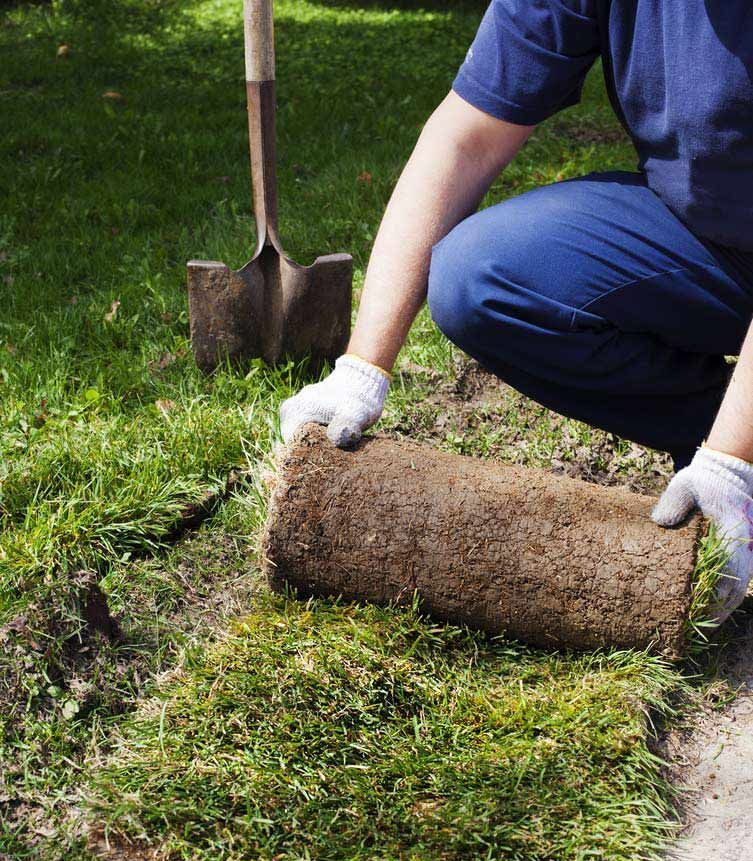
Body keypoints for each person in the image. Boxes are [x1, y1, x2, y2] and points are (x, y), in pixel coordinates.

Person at [279, 1, 753, 621]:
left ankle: (733, 460)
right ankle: (717, 440)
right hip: (712, 238)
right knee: (480, 274)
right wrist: (362, 369)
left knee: (733, 459)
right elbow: (465, 138)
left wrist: (732, 462)